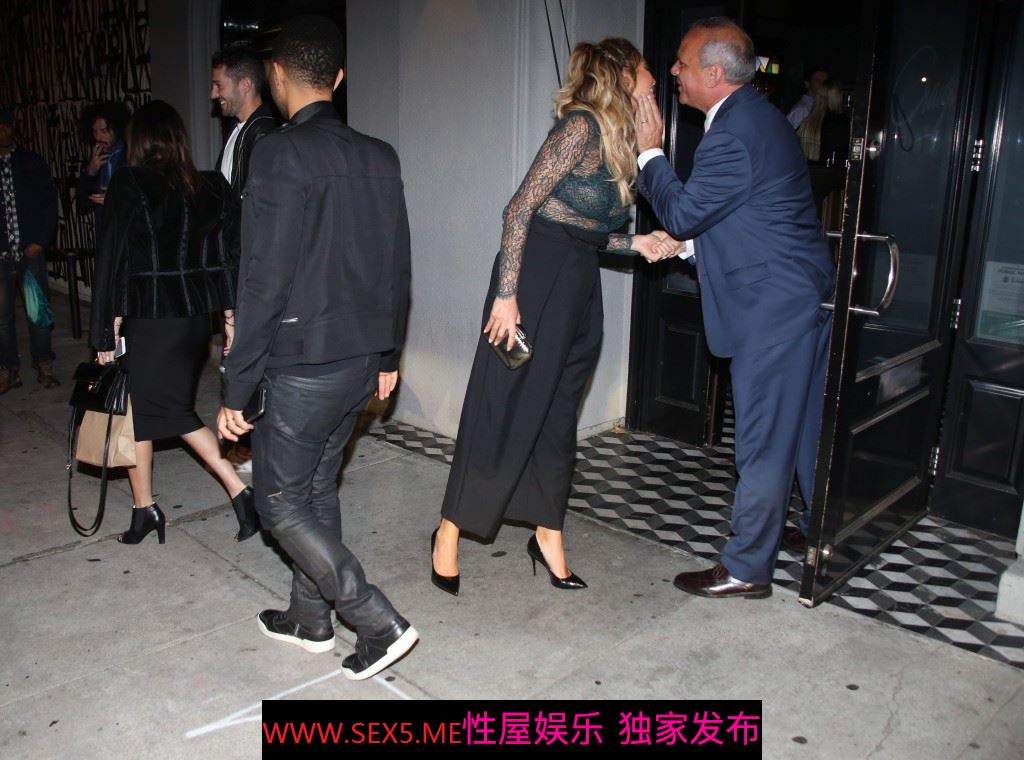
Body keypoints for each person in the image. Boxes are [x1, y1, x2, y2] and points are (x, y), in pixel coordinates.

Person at [431, 39, 681, 597]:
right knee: (501, 406)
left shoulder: (617, 139)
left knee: (556, 414)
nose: (654, 80)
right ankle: (449, 529)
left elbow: (583, 228)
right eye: (645, 71)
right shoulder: (579, 128)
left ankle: (547, 529)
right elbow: (520, 208)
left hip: (577, 284)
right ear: (623, 75)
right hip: (532, 281)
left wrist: (637, 243)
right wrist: (506, 294)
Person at [217, 15, 418, 681]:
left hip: (302, 367)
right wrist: (388, 357)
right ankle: (310, 619)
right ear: (338, 76)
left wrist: (236, 386)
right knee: (315, 490)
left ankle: (375, 620)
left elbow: (263, 281)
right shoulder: (380, 155)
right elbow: (398, 266)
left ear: (276, 76)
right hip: (359, 363)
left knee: (278, 504)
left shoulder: (279, 153)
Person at [633, 17, 835, 598]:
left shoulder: (733, 133)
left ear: (714, 74)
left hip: (773, 310)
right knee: (804, 429)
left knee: (764, 439)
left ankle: (747, 567)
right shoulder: (757, 118)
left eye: (683, 62)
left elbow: (683, 211)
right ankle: (819, 527)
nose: (674, 70)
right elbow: (745, 216)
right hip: (800, 295)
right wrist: (688, 245)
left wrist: (650, 154)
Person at [90, 100, 257, 546]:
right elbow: (230, 258)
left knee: (161, 412)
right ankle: (146, 509)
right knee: (144, 413)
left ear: (139, 141)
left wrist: (104, 331)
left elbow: (113, 260)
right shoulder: (210, 186)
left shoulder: (129, 182)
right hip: (193, 323)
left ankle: (238, 493)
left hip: (151, 321)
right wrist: (230, 321)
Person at [210, 47, 280, 476]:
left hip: (249, 268)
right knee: (237, 352)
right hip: (235, 265)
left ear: (246, 84)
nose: (213, 94)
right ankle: (247, 443)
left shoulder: (265, 134)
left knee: (250, 353)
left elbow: (258, 213)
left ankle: (254, 447)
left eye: (219, 84)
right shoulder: (240, 132)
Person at [0, 107, 59, 394]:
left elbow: (49, 202)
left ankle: (44, 364)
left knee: (38, 314)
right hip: (1, 256)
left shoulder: (30, 161)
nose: (2, 132)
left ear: (13, 128)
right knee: (2, 318)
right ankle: (8, 369)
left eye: (5, 126)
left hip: (29, 252)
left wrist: (41, 240)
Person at [77, 101, 129, 239]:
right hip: (104, 235)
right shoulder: (96, 158)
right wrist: (90, 172)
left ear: (117, 129)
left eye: (104, 131)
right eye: (94, 131)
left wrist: (113, 199)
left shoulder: (131, 157)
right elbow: (82, 206)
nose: (98, 137)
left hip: (127, 236)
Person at [797, 79, 847, 164]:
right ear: (838, 97)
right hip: (829, 170)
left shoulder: (806, 123)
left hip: (807, 169)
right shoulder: (839, 124)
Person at [786, 65, 828, 130]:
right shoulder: (801, 110)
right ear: (807, 84)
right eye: (818, 81)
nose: (822, 85)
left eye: (825, 82)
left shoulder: (823, 107)